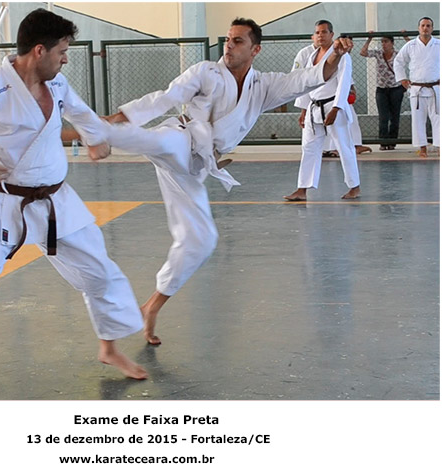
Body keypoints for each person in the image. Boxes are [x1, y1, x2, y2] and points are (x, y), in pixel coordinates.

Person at [0, 9, 147, 400]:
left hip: (54, 200)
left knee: (100, 273)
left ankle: (108, 348)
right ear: (39, 51)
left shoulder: (56, 83)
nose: (66, 59)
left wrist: (96, 138)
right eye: (62, 51)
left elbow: (81, 113)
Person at [102, 18, 353, 344]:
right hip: (182, 136)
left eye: (237, 41)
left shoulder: (262, 86)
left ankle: (150, 307)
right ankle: (101, 133)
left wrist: (334, 55)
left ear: (255, 49)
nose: (229, 46)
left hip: (196, 167)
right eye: (228, 39)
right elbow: (165, 98)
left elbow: (306, 79)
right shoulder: (206, 72)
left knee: (201, 241)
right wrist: (114, 120)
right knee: (162, 142)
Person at [284, 20, 360, 202]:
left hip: (334, 105)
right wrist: (303, 110)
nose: (320, 35)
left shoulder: (342, 55)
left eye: (324, 32)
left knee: (344, 147)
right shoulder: (311, 56)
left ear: (332, 35)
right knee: (309, 148)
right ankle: (302, 189)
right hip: (314, 108)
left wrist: (336, 108)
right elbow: (306, 83)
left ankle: (354, 186)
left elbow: (344, 83)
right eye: (317, 32)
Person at [394, 17, 440, 158]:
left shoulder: (438, 44)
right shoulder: (411, 45)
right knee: (418, 120)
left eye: (428, 26)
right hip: (417, 89)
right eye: (423, 25)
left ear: (432, 28)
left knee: (438, 119)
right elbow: (398, 61)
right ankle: (422, 148)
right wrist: (402, 79)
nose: (425, 28)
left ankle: (439, 146)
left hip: (436, 88)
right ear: (418, 28)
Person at [361, 32, 409, 150]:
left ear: (392, 43)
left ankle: (392, 141)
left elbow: (412, 51)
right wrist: (369, 39)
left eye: (386, 41)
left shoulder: (398, 54)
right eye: (382, 41)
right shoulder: (378, 54)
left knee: (394, 116)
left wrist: (405, 37)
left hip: (395, 88)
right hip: (382, 89)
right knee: (383, 117)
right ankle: (383, 141)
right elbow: (363, 52)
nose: (383, 44)